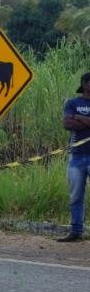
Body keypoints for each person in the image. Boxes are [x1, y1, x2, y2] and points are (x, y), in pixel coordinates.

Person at [58, 71, 90, 242]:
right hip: (76, 156)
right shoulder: (73, 102)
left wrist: (79, 117)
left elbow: (74, 122)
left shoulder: (75, 109)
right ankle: (76, 230)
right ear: (85, 84)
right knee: (76, 195)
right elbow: (67, 123)